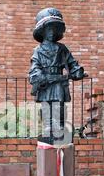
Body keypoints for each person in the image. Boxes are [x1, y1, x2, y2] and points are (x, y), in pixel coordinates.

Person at [29, 8, 87, 144]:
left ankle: (59, 127)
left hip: (59, 82)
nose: (52, 32)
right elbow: (34, 68)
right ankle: (47, 127)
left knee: (59, 105)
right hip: (45, 83)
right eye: (49, 29)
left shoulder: (62, 49)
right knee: (46, 106)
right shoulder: (37, 51)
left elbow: (72, 63)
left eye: (54, 29)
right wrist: (40, 76)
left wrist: (78, 71)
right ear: (43, 32)